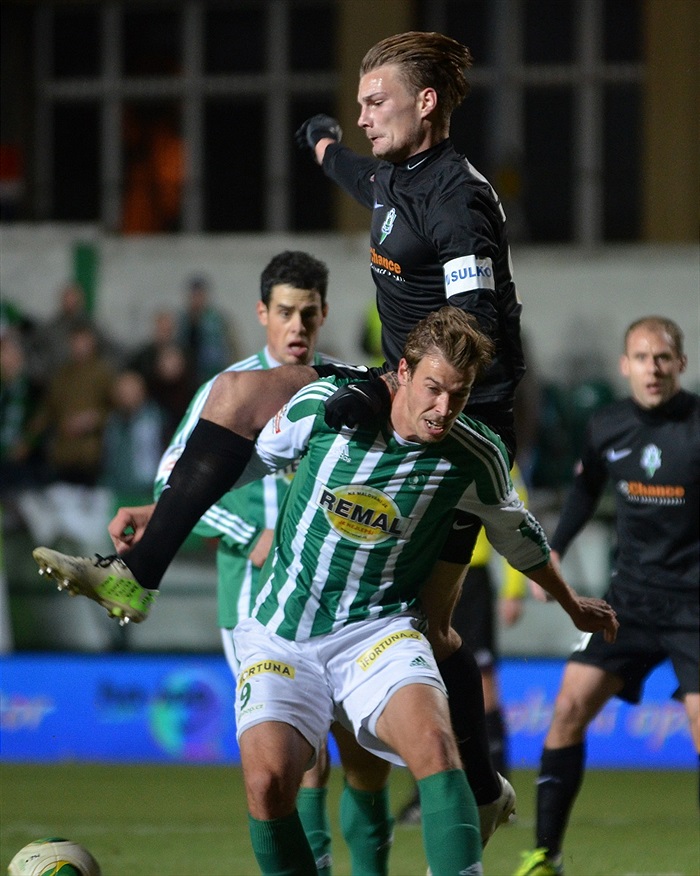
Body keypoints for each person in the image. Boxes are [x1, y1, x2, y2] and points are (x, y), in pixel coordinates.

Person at [30, 32, 526, 835]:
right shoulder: (394, 177)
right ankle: (137, 572)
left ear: (426, 103)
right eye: (359, 105)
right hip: (392, 389)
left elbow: (472, 328)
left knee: (433, 625)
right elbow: (356, 172)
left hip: (454, 425)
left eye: (376, 102)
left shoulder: (456, 200)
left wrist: (391, 390)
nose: (365, 118)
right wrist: (324, 142)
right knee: (235, 393)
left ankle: (476, 783)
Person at [108, 250, 394, 876]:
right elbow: (170, 484)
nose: (298, 327)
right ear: (263, 314)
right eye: (286, 312)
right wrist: (249, 531)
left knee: (360, 754)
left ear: (324, 316)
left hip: (335, 599)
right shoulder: (232, 391)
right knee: (304, 758)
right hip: (252, 597)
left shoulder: (343, 386)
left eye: (310, 315)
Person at [514, 315, 699, 876]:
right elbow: (584, 490)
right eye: (642, 358)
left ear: (680, 364)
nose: (653, 368)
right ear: (625, 366)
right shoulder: (607, 425)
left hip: (695, 605)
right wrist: (555, 551)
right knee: (569, 706)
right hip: (632, 601)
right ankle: (547, 854)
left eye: (663, 358)